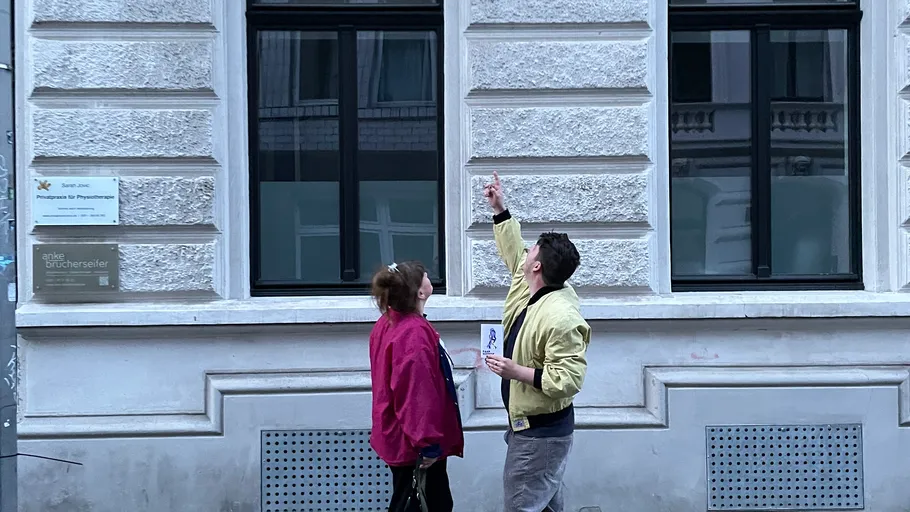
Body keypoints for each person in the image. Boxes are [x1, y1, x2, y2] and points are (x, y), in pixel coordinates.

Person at [482, 172, 592, 512]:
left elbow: (568, 380)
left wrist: (516, 372)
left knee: (522, 506)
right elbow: (513, 252)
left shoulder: (561, 316)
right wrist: (499, 210)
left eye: (532, 250)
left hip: (540, 435)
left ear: (538, 265)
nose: (526, 252)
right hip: (529, 430)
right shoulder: (530, 283)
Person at [368, 261, 464, 512]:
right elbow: (415, 394)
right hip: (413, 444)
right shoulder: (413, 334)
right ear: (420, 292)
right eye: (425, 276)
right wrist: (427, 444)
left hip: (401, 437)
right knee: (428, 504)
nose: (429, 276)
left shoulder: (388, 322)